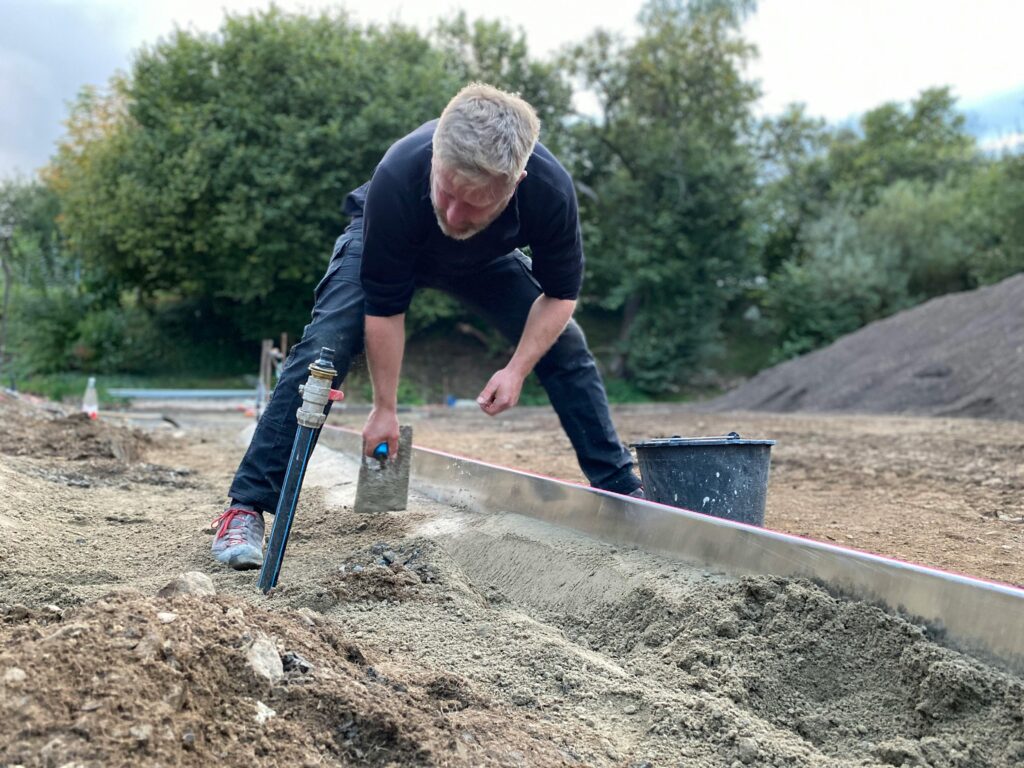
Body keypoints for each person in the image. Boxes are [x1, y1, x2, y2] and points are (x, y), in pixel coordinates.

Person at [211, 83, 642, 570]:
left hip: (485, 256)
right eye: (447, 191)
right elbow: (385, 308)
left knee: (565, 347)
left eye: (475, 202)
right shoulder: (399, 172)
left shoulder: (549, 191)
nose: (453, 214)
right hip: (389, 240)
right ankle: (246, 507)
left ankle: (621, 489)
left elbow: (560, 296)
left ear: (516, 182)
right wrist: (384, 408)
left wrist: (517, 368)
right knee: (325, 349)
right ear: (436, 156)